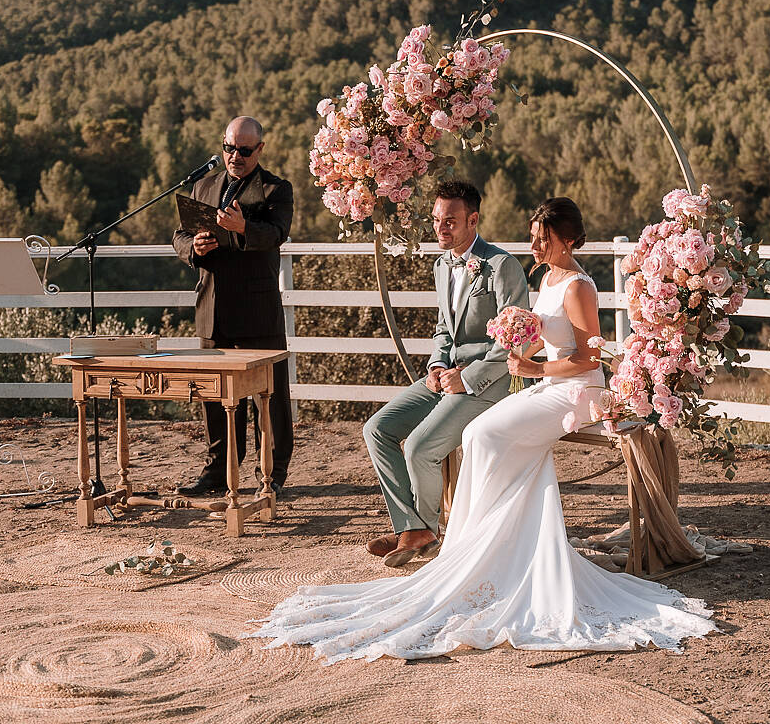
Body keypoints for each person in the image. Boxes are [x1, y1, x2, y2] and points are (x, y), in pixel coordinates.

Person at [252, 197, 715, 662]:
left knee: (486, 435)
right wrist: (518, 339)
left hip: (577, 391)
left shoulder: (578, 285)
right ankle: (480, 549)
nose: (534, 244)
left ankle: (486, 550)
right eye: (533, 235)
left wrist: (532, 368)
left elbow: (589, 357)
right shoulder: (546, 277)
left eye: (543, 237)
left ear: (568, 239)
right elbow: (532, 337)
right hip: (547, 384)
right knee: (477, 435)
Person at [361, 180, 530, 567]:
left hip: (489, 383)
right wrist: (436, 366)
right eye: (437, 220)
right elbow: (443, 329)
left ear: (473, 220)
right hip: (445, 377)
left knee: (420, 446)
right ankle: (412, 525)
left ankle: (425, 529)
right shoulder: (441, 265)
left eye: (450, 221)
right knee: (377, 429)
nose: (441, 228)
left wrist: (467, 378)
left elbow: (510, 344)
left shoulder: (502, 266)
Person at [171, 115, 294, 498]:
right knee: (214, 397)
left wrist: (243, 229)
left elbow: (277, 233)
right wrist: (193, 248)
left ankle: (271, 475)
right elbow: (179, 234)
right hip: (213, 308)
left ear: (260, 149)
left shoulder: (276, 189)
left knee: (269, 401)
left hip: (258, 312)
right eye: (229, 148)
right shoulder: (203, 185)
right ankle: (218, 471)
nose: (234, 156)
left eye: (243, 150)